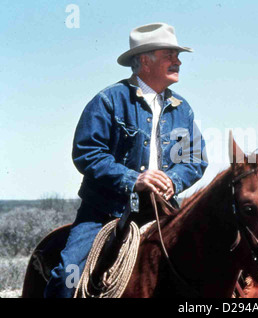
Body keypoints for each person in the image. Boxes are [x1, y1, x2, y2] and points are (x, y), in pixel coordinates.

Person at [44, 23, 208, 298]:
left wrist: (173, 179)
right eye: (169, 54)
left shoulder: (183, 109)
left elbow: (195, 159)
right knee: (67, 277)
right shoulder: (109, 100)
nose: (178, 61)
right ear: (144, 60)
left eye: (177, 55)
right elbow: (88, 152)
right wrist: (134, 179)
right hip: (106, 211)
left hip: (163, 210)